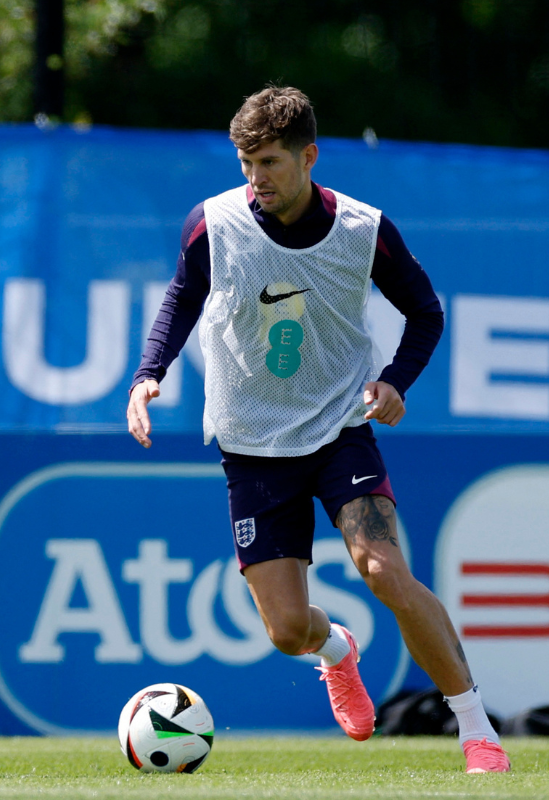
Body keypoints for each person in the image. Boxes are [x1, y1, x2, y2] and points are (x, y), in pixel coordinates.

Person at [126, 86, 510, 774]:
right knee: (285, 631)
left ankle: (476, 729)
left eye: (269, 162)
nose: (256, 179)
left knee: (384, 571)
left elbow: (426, 314)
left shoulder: (364, 230)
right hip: (251, 446)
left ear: (309, 156)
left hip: (340, 430)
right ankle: (337, 650)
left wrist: (395, 381)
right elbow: (183, 295)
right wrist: (148, 373)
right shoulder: (211, 224)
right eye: (246, 163)